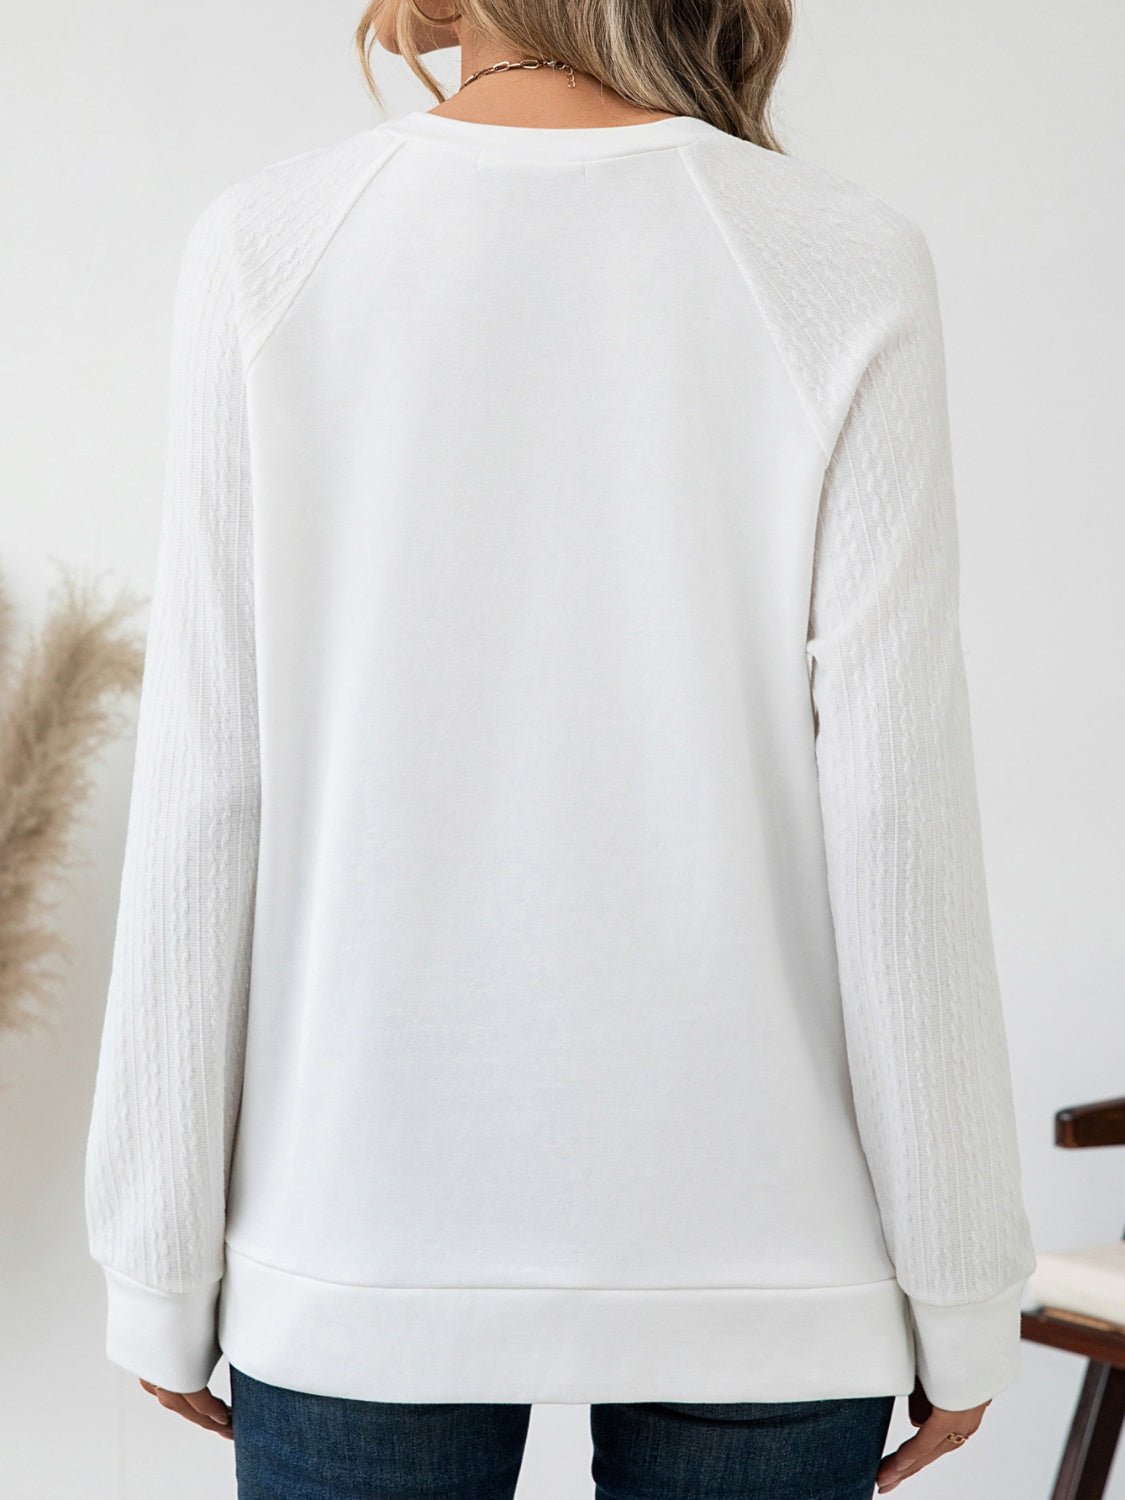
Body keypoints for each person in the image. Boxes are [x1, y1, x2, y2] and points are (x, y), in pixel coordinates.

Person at [83, 2, 1039, 1496]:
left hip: (360, 1236)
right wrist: (963, 1287)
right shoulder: (839, 260)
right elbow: (896, 825)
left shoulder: (268, 249)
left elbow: (209, 786)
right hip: (767, 1255)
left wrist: (157, 1258)